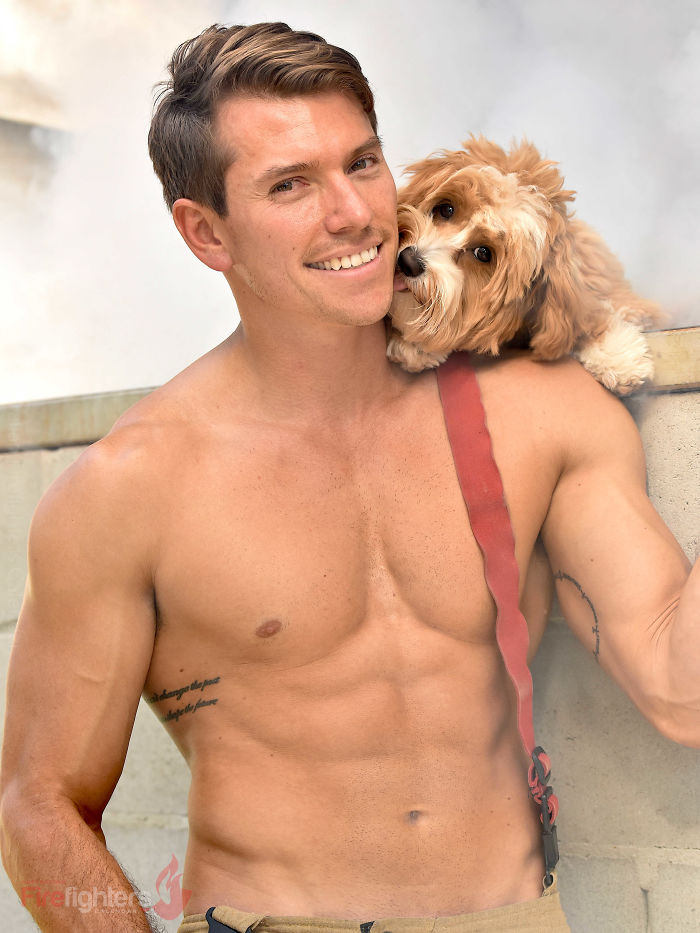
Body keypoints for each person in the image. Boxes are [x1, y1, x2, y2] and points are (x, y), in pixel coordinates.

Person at [1, 21, 698, 933]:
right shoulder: (130, 487)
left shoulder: (538, 416)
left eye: (363, 163)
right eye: (290, 185)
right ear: (206, 232)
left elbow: (681, 689)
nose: (354, 213)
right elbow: (39, 801)